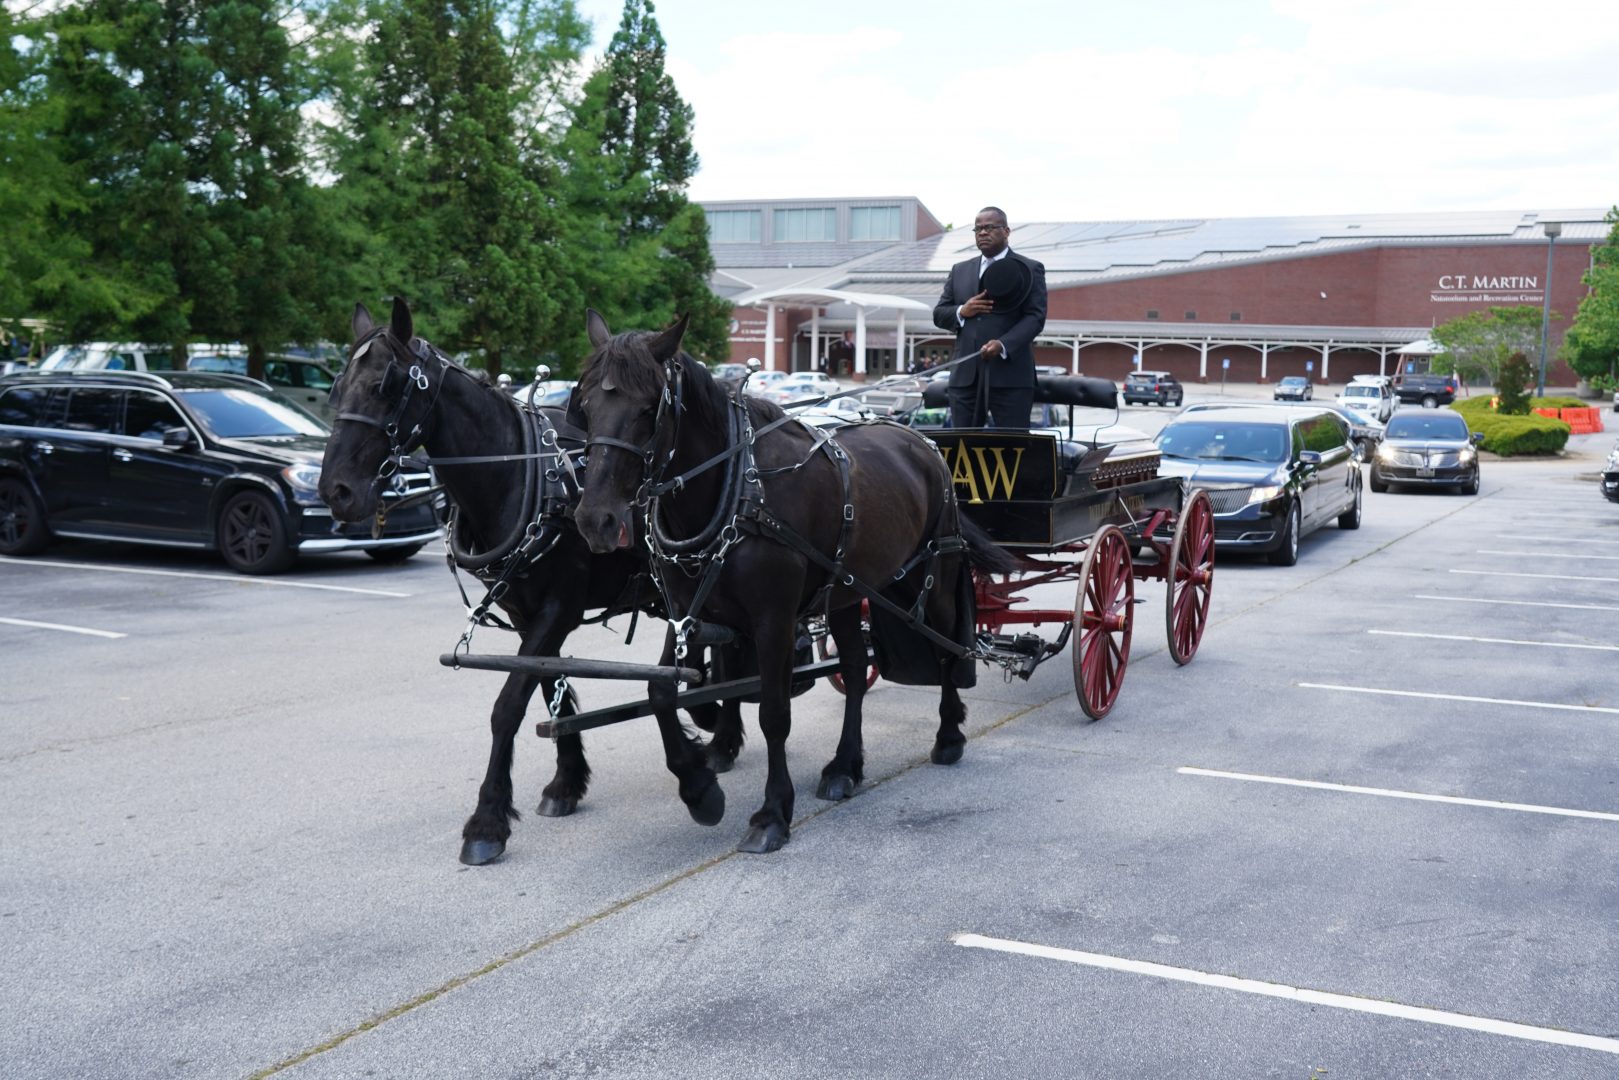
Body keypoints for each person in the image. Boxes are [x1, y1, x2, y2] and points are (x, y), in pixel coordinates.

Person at [932, 206, 1047, 428]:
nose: (982, 233)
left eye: (989, 227)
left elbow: (1035, 318)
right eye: (978, 229)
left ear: (1006, 231)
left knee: (1013, 451)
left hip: (1011, 379)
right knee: (963, 450)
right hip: (966, 379)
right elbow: (939, 314)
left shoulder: (1030, 269)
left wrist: (1003, 344)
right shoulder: (960, 270)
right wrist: (962, 311)